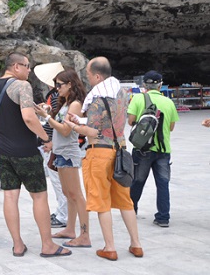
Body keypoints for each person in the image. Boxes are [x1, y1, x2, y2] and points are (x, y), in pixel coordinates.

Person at [0, 53, 71, 258]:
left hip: (3, 152)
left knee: (10, 196)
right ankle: (47, 245)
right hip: (25, 151)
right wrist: (45, 139)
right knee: (39, 196)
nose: (29, 70)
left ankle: (18, 245)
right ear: (15, 66)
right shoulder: (22, 86)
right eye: (27, 66)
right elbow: (29, 118)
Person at [63, 56, 143, 261]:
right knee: (126, 201)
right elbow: (112, 122)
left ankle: (110, 247)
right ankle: (136, 244)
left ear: (97, 76)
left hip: (99, 153)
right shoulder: (122, 93)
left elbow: (94, 130)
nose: (88, 79)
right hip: (120, 150)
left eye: (89, 75)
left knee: (100, 201)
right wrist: (82, 120)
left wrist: (74, 126)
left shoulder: (97, 98)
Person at [35, 68, 91, 248]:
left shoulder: (75, 104)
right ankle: (70, 228)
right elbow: (60, 124)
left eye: (59, 84)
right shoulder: (66, 102)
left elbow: (66, 130)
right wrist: (49, 111)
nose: (56, 88)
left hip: (68, 153)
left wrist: (46, 117)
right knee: (68, 194)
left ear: (70, 84)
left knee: (76, 195)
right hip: (61, 152)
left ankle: (84, 234)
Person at [127, 70, 179, 228]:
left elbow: (130, 121)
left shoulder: (137, 98)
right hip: (163, 150)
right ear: (160, 85)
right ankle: (163, 217)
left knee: (137, 181)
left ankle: (131, 210)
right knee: (163, 184)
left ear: (144, 85)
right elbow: (171, 127)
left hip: (142, 149)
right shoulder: (168, 102)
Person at [33, 62, 68, 229]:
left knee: (57, 180)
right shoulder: (55, 94)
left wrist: (49, 140)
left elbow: (55, 120)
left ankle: (63, 215)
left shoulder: (55, 95)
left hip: (53, 141)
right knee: (58, 179)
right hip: (53, 140)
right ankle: (63, 212)